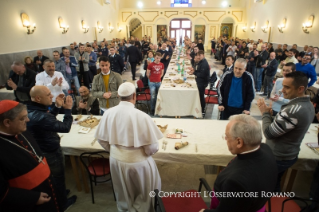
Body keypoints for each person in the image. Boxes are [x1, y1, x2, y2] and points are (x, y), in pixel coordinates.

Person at [95, 82, 163, 212]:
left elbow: (101, 139)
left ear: (119, 96)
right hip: (138, 163)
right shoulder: (142, 116)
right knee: (144, 193)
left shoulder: (108, 113)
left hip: (115, 160)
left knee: (122, 190)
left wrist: (116, 150)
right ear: (134, 96)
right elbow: (152, 147)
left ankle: (125, 208)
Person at [199, 115, 277, 212]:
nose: (226, 140)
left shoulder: (235, 182)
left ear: (239, 142)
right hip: (257, 204)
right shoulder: (266, 149)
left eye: (227, 137)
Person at [257, 71, 315, 192]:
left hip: (278, 156)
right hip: (289, 153)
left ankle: (268, 206)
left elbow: (268, 133)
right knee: (275, 181)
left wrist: (265, 114)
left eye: (287, 87)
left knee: (266, 184)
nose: (282, 90)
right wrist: (274, 118)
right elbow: (285, 127)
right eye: (283, 86)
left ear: (300, 89)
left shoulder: (293, 110)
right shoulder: (308, 104)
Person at [0, 100, 60, 212]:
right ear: (7, 122)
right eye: (22, 118)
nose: (28, 120)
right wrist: (32, 198)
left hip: (47, 185)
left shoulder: (20, 130)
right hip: (29, 202)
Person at [27, 86, 77, 211]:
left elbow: (48, 119)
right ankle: (63, 203)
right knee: (58, 177)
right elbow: (65, 127)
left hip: (42, 148)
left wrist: (57, 107)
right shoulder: (42, 116)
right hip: (50, 151)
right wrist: (67, 110)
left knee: (54, 177)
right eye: (49, 94)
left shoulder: (32, 109)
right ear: (38, 98)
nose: (52, 96)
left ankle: (60, 193)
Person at [189, 51, 210, 115]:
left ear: (203, 55)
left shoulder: (204, 63)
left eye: (200, 55)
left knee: (200, 96)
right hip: (200, 80)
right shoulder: (201, 61)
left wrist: (194, 73)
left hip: (202, 82)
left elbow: (202, 74)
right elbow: (199, 70)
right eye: (198, 55)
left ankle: (202, 110)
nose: (198, 56)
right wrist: (194, 70)